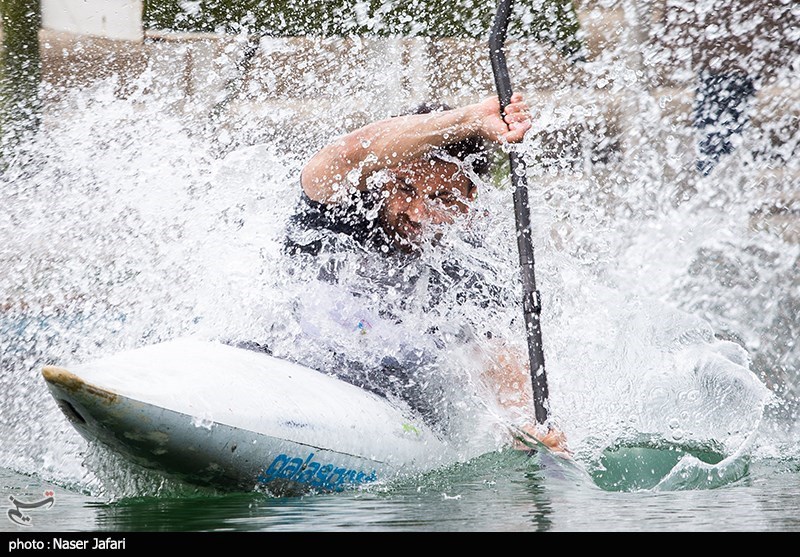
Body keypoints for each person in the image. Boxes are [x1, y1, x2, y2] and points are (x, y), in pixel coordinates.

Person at [285, 92, 568, 455]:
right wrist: (473, 119)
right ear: (383, 177)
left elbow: (500, 364)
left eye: (442, 198)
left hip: (385, 408)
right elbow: (347, 152)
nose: (417, 212)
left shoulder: (467, 267)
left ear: (470, 200)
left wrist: (526, 428)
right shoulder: (339, 209)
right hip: (287, 368)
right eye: (404, 189)